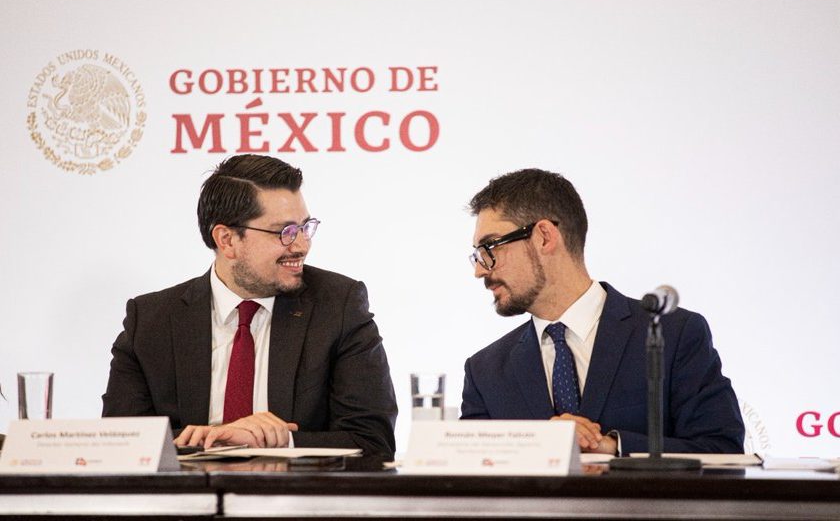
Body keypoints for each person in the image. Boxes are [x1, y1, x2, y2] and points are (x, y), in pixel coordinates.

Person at [102, 155, 397, 458]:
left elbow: (374, 442)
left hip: (295, 489)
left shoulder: (339, 307)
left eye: (305, 227)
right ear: (227, 240)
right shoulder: (150, 321)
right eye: (284, 232)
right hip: (190, 489)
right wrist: (216, 440)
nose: (301, 245)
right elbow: (118, 446)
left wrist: (279, 442)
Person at [461, 169, 744, 455]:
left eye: (489, 248)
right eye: (477, 255)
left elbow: (723, 452)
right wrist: (541, 443)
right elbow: (469, 468)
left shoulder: (674, 335)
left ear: (544, 237)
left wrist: (611, 446)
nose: (479, 270)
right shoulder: (485, 373)